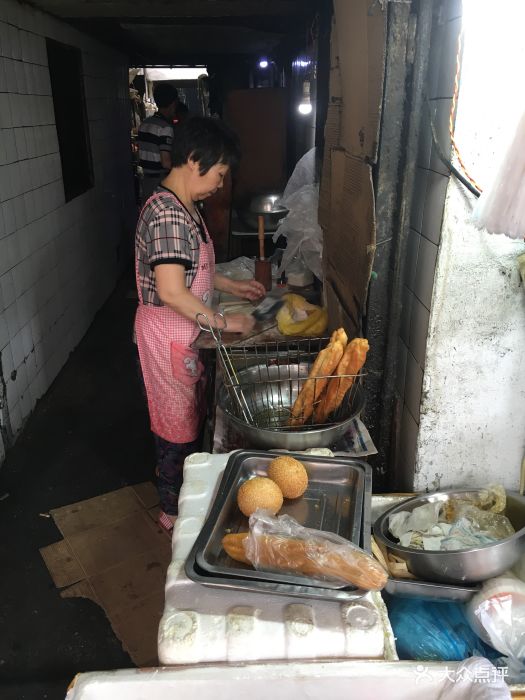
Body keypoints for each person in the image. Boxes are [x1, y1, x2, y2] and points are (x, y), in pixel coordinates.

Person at [134, 116, 266, 532]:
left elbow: (194, 269)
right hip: (167, 334)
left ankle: (186, 495)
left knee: (190, 417)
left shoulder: (184, 205)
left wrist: (232, 285)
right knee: (177, 429)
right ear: (195, 160)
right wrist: (224, 320)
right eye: (220, 174)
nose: (220, 185)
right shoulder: (168, 216)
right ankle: (174, 515)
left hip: (185, 333)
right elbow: (173, 291)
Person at [137, 83, 178, 201]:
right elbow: (166, 162)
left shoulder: (145, 124)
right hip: (159, 182)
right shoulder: (165, 127)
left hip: (146, 182)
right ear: (173, 104)